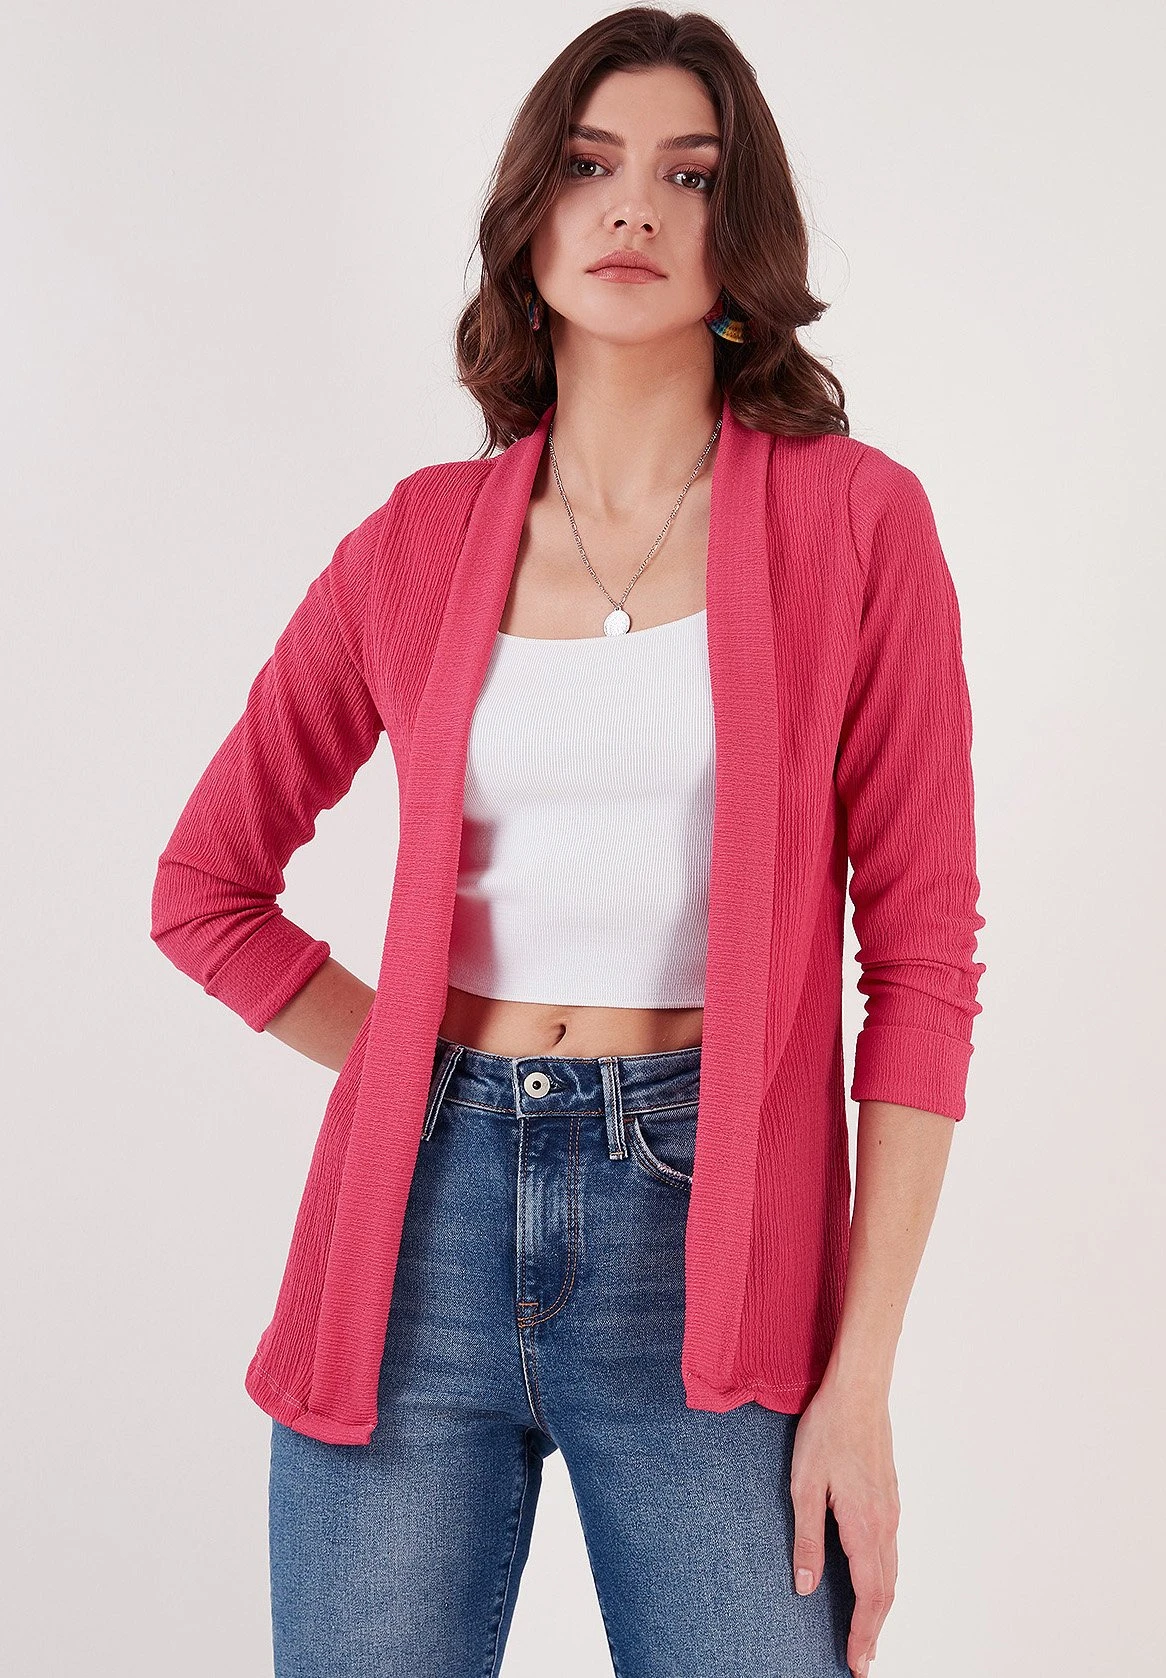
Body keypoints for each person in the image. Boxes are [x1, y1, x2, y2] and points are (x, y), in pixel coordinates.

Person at [150, 9, 987, 1676]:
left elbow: (918, 967)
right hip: (408, 1239)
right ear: (529, 218)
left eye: (689, 175)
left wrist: (862, 1379)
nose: (632, 208)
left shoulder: (852, 521)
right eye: (591, 165)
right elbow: (204, 888)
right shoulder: (414, 542)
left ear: (740, 233)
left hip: (708, 1243)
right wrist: (410, 1059)